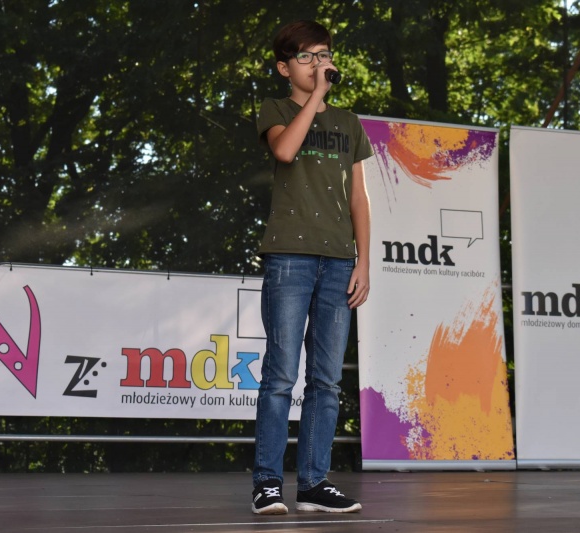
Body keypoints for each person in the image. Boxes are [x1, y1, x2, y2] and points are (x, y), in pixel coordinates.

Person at [251, 20, 373, 515]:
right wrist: (316, 97)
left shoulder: (349, 123)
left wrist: (364, 261)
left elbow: (359, 198)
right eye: (306, 56)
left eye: (323, 54)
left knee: (326, 379)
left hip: (340, 261)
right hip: (290, 257)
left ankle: (314, 483)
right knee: (281, 374)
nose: (318, 63)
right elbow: (285, 150)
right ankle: (267, 483)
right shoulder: (276, 109)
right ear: (284, 68)